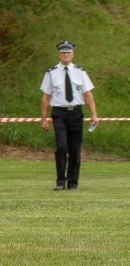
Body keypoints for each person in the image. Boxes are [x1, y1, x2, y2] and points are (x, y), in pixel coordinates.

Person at [40, 40, 98, 191]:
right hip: (59, 113)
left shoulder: (80, 72)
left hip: (76, 113)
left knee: (74, 149)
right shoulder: (51, 73)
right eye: (63, 52)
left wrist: (94, 114)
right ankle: (60, 181)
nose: (66, 55)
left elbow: (88, 94)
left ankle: (73, 183)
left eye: (68, 52)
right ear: (59, 54)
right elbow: (46, 97)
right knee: (61, 146)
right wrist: (44, 118)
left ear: (73, 54)